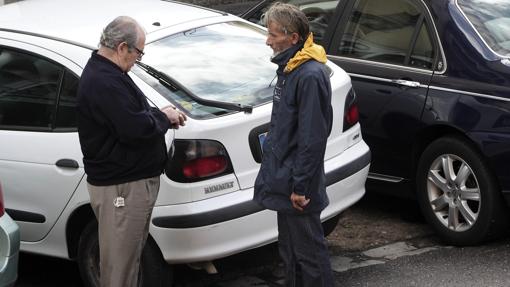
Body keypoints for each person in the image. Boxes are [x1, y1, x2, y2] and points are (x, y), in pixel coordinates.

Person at [77, 16, 186, 287]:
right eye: (139, 52)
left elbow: (133, 112)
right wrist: (164, 119)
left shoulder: (111, 74)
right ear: (123, 47)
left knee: (127, 261)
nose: (138, 58)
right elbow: (133, 128)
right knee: (119, 268)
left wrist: (159, 114)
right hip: (121, 189)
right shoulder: (104, 81)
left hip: (126, 184)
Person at [253, 3, 335, 286]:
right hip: (286, 179)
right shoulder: (290, 68)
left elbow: (312, 138)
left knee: (309, 256)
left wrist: (300, 187)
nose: (268, 40)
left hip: (298, 185)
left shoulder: (309, 75)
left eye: (273, 34)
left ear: (293, 38)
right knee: (291, 253)